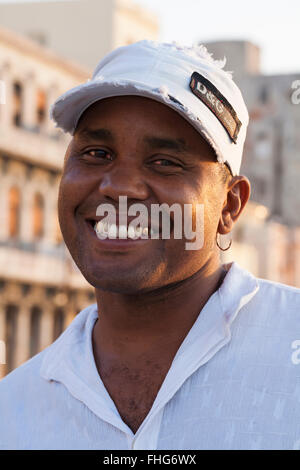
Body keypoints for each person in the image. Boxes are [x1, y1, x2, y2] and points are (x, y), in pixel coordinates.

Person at [0, 40, 300, 451]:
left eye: (164, 162)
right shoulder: (13, 410)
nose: (118, 186)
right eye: (96, 153)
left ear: (230, 205)